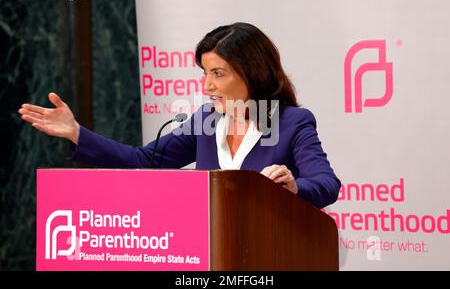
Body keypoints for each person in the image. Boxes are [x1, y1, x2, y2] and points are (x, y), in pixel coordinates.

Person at [18, 22, 340, 209]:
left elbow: (326, 184)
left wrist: (296, 187)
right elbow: (144, 162)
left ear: (252, 73)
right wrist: (77, 133)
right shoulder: (207, 121)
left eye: (219, 73)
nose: (208, 85)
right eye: (205, 73)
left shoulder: (292, 123)